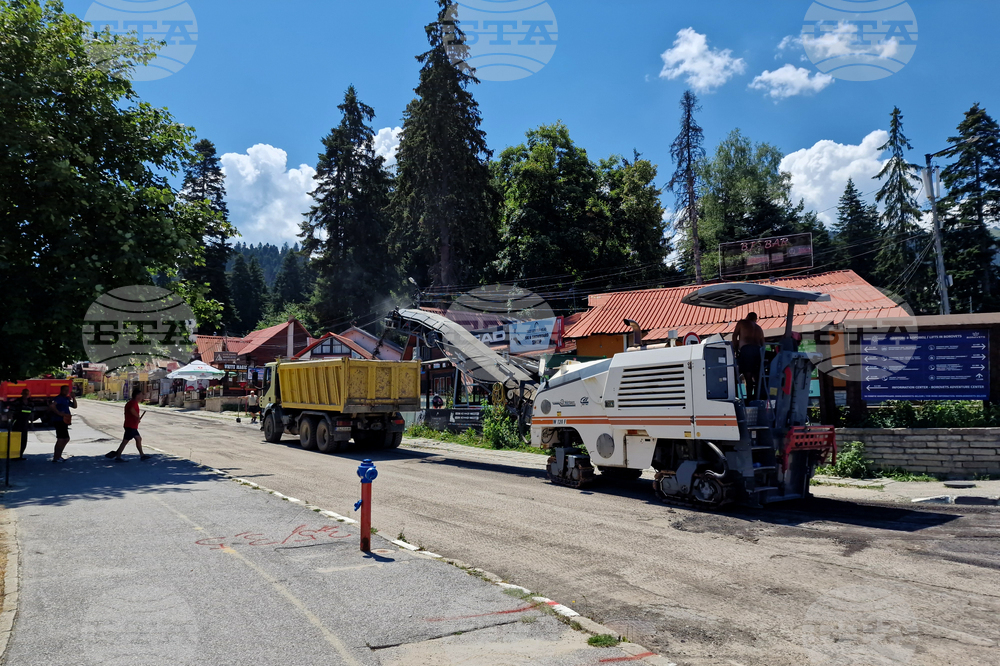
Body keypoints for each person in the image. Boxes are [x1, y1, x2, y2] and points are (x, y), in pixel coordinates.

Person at [105, 387, 150, 462]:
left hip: (131, 425)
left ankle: (142, 455)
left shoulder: (132, 402)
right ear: (137, 395)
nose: (142, 397)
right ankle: (118, 456)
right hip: (130, 425)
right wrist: (138, 417)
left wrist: (137, 419)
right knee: (125, 441)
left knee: (138, 439)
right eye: (141, 395)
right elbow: (132, 410)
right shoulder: (133, 403)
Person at [732, 312, 766, 401]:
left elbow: (735, 336)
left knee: (748, 376)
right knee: (757, 376)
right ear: (756, 319)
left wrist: (735, 350)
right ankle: (757, 397)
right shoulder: (759, 328)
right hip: (758, 351)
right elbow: (763, 344)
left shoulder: (742, 323)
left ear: (747, 317)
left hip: (746, 350)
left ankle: (749, 398)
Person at [48, 385, 77, 462]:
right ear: (61, 390)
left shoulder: (66, 399)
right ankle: (56, 457)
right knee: (61, 439)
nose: (66, 392)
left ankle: (59, 456)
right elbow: (52, 405)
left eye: (68, 390)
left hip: (65, 420)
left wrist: (73, 398)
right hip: (59, 420)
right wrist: (59, 413)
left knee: (65, 439)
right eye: (65, 390)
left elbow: (74, 406)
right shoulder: (59, 398)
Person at [11, 389, 32, 459]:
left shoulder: (30, 402)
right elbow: (13, 411)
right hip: (17, 422)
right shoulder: (17, 402)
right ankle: (14, 456)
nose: (26, 395)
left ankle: (20, 455)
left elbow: (31, 411)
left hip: (25, 423)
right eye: (25, 393)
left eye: (27, 393)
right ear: (22, 394)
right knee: (16, 440)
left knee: (23, 440)